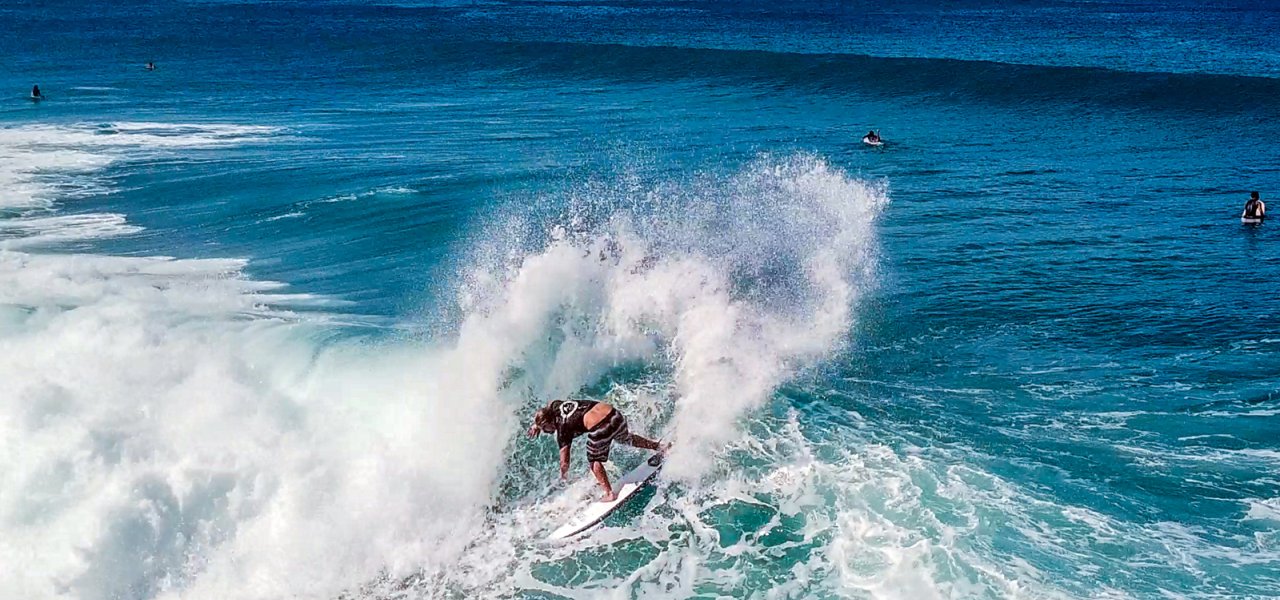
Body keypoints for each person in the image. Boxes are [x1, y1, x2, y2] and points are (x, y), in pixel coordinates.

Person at [527, 399, 665, 501]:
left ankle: (609, 493)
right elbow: (548, 405)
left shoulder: (563, 430)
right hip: (615, 415)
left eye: (544, 428)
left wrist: (563, 476)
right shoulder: (555, 406)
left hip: (601, 426)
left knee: (594, 460)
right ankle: (659, 446)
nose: (545, 432)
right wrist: (537, 425)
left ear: (549, 423)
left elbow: (564, 462)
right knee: (625, 438)